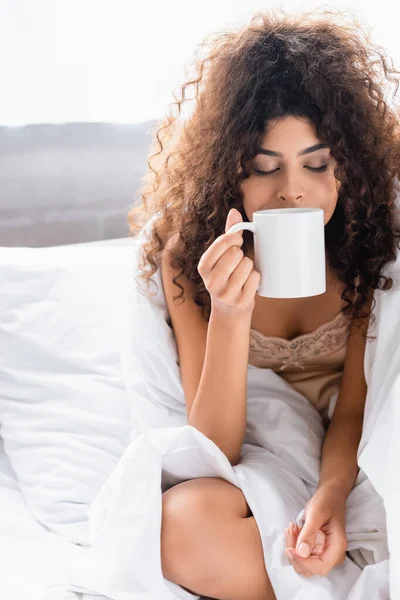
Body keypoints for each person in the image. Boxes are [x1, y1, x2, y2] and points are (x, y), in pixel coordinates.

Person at [128, 6, 400, 600]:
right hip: (260, 452)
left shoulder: (370, 246)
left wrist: (330, 498)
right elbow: (213, 447)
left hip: (351, 453)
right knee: (182, 523)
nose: (292, 189)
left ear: (345, 168)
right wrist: (229, 313)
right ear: (231, 174)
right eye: (264, 168)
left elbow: (356, 405)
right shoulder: (188, 260)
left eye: (316, 163)